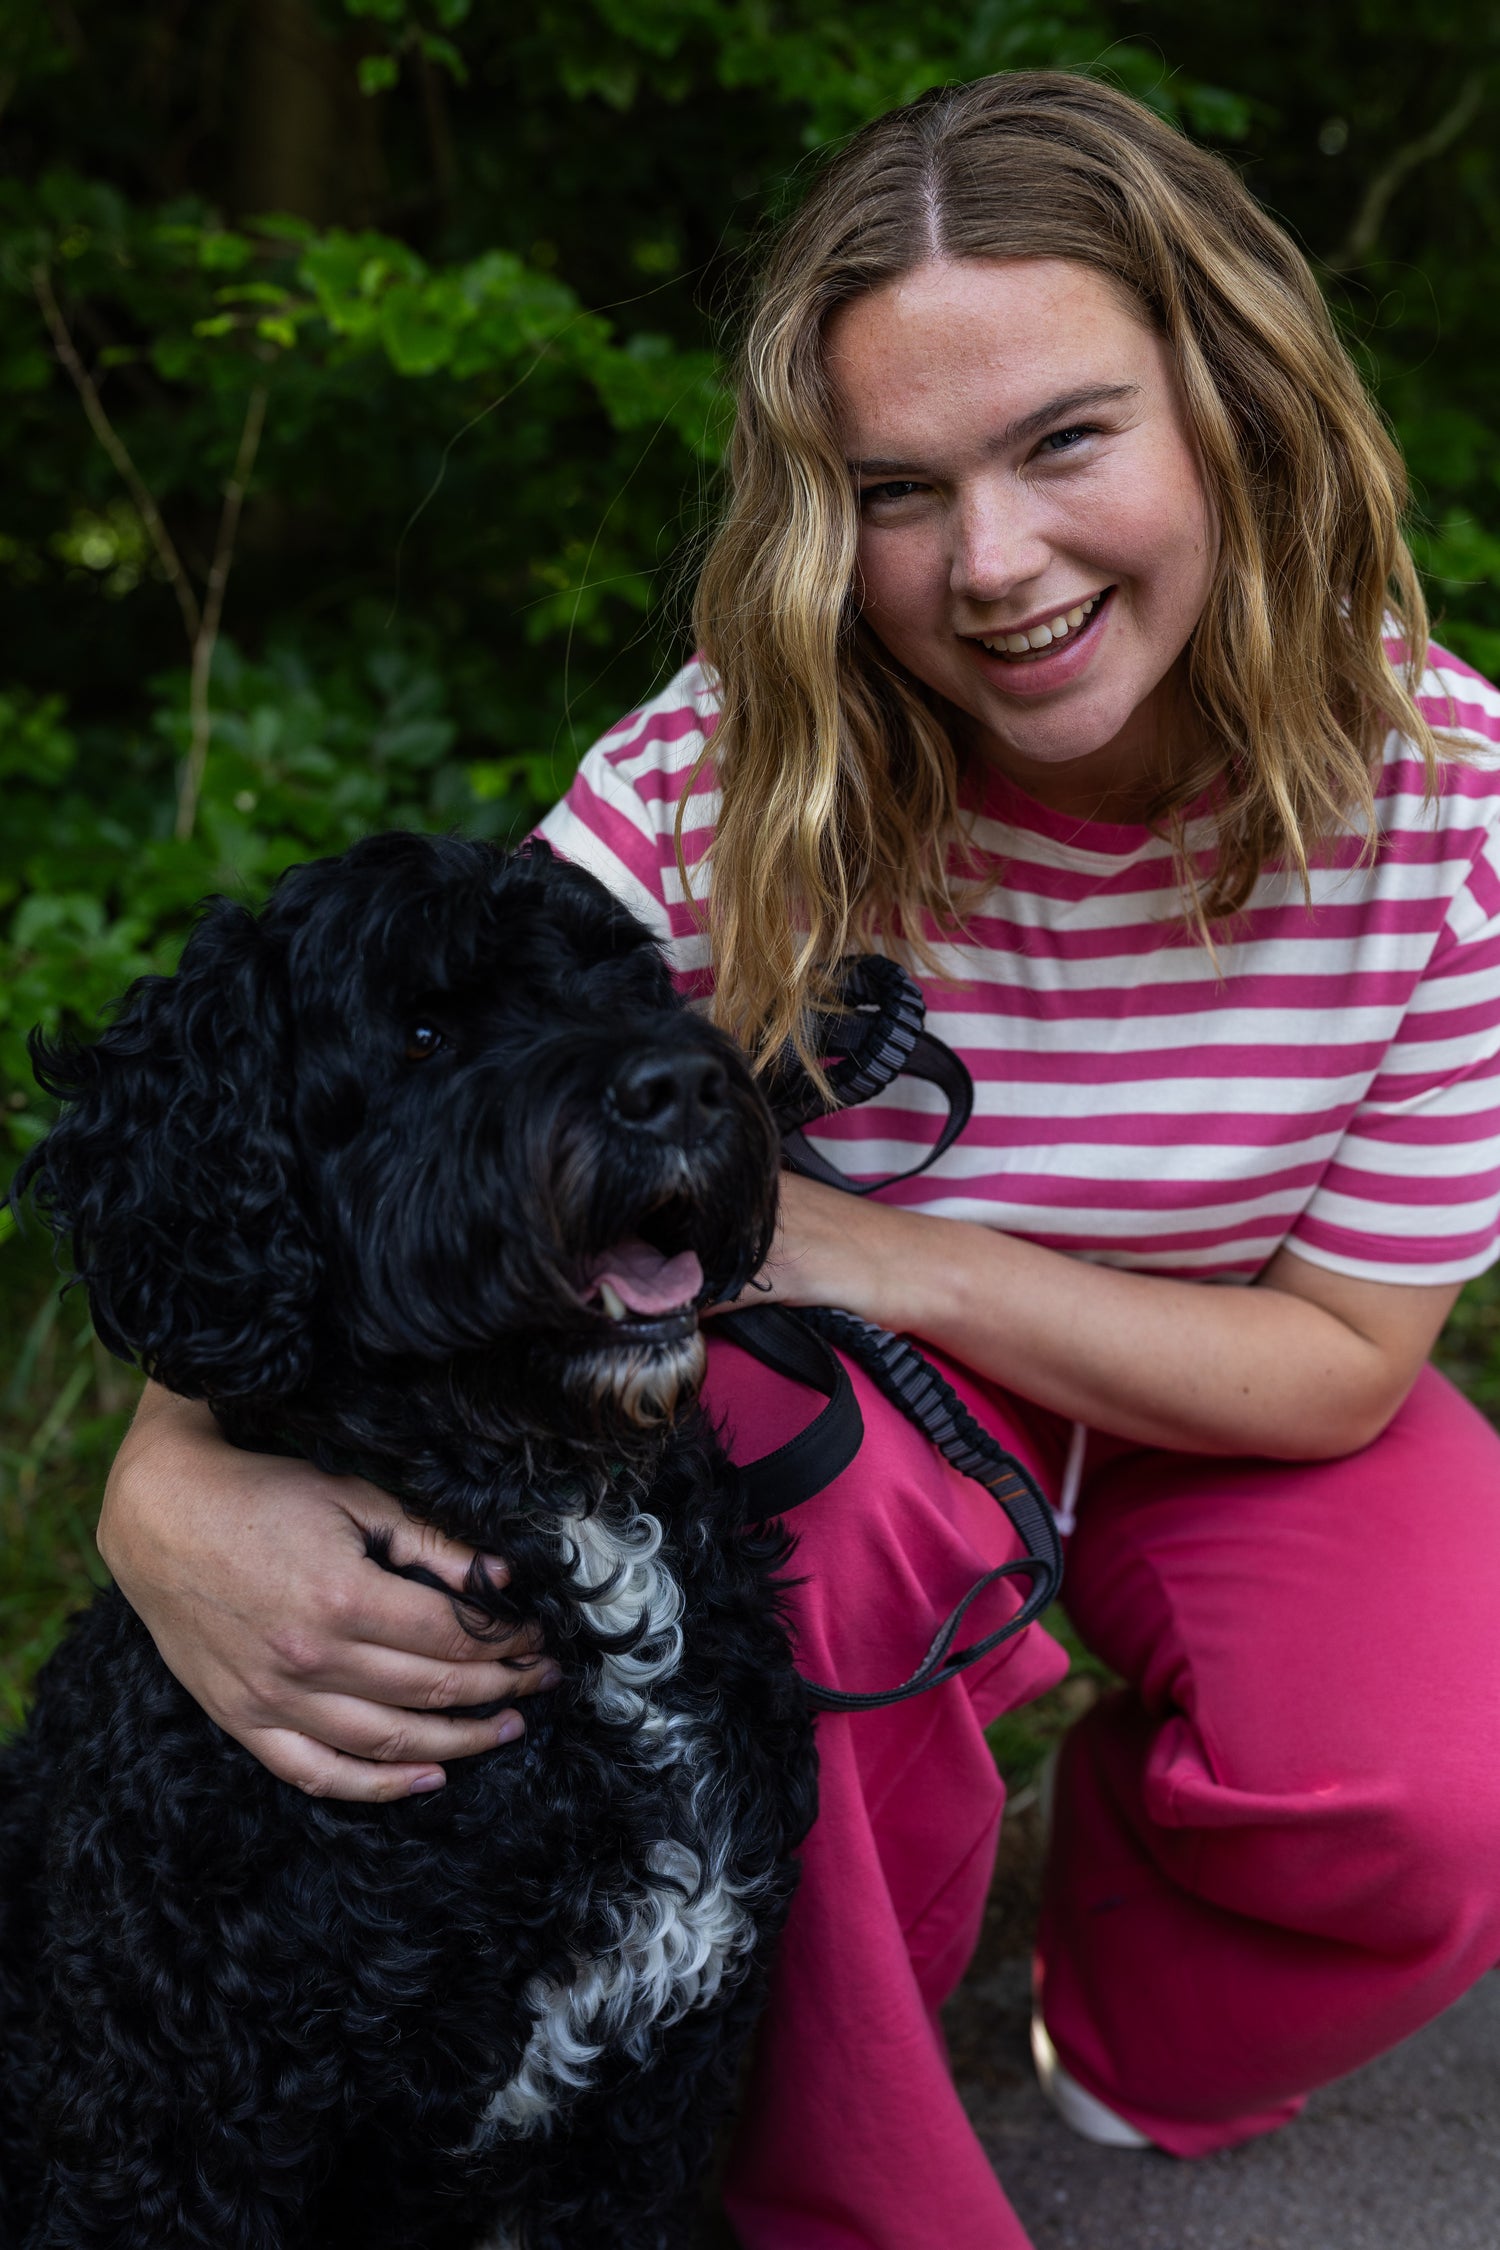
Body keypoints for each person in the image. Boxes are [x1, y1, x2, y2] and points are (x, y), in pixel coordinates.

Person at [97, 70, 1500, 2250]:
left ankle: (1132, 2014)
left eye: (1065, 440)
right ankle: (833, 2171)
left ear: (1234, 402)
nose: (993, 564)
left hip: (1235, 1392)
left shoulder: (1455, 804)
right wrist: (163, 1477)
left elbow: (1340, 1360)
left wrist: (882, 1253)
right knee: (764, 1532)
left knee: (1429, 1769)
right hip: (858, 1434)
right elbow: (388, 1124)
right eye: (897, 490)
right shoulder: (725, 772)